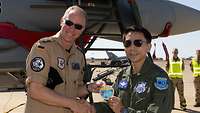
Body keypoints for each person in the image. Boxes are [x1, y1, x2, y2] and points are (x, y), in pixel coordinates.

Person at [24, 5, 97, 113]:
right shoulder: (43, 48)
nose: (72, 29)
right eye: (69, 23)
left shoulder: (78, 55)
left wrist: (88, 88)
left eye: (78, 26)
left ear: (82, 30)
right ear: (61, 21)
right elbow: (35, 90)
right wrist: (73, 104)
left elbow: (72, 90)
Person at [94, 25, 173, 113]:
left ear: (148, 47)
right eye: (127, 43)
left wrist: (122, 110)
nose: (132, 48)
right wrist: (90, 108)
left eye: (138, 43)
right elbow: (111, 103)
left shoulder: (160, 78)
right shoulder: (123, 75)